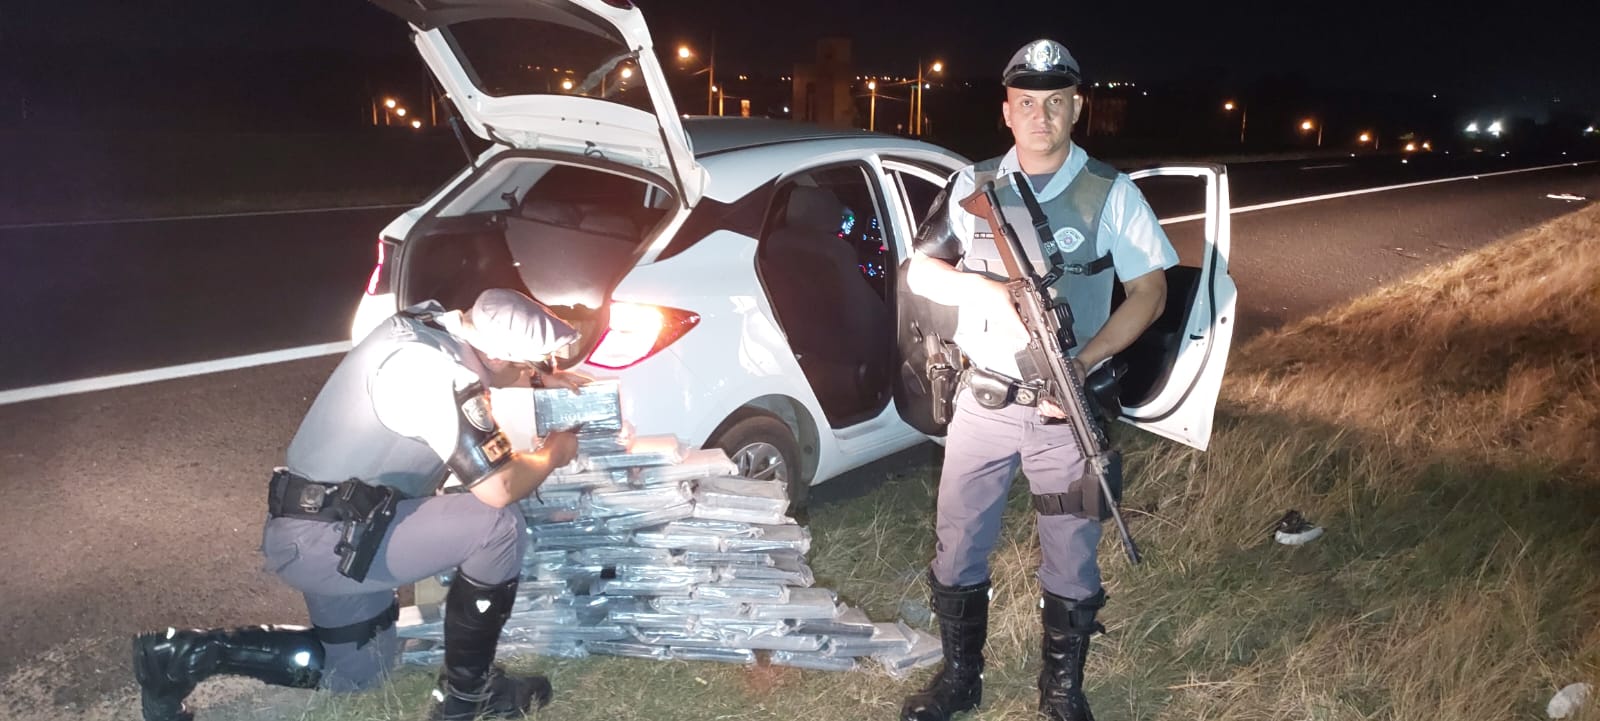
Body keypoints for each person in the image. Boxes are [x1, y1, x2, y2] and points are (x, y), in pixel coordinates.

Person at [131, 288, 590, 721]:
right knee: (497, 524)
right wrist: (553, 452)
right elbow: (499, 486)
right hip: (332, 542)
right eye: (532, 363)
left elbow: (491, 380)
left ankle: (183, 653)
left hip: (333, 529)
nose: (538, 369)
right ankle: (469, 695)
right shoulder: (434, 372)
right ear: (496, 354)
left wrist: (540, 377)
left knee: (358, 674)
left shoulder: (425, 327)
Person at [900, 39, 1178, 721]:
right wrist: (983, 287)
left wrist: (1083, 364)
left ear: (1077, 107)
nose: (1041, 115)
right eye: (1027, 102)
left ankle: (1061, 691)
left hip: (1065, 406)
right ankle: (960, 681)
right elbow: (919, 269)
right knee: (958, 543)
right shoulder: (975, 183)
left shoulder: (1113, 192)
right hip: (985, 398)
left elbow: (1151, 293)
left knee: (1073, 554)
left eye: (1056, 102)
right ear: (1007, 110)